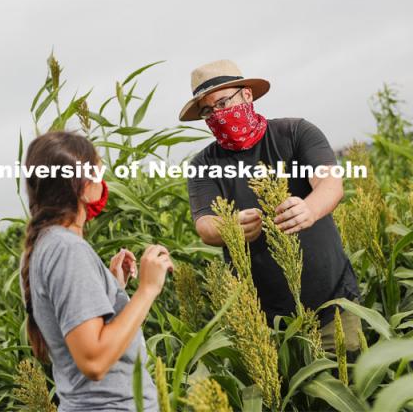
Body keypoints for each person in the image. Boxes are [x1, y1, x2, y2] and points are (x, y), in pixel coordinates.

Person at [179, 59, 362, 353]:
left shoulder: (295, 133)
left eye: (223, 103)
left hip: (333, 308)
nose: (218, 114)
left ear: (247, 95)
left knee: (350, 388)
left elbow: (330, 184)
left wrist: (309, 209)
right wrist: (229, 226)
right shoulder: (204, 164)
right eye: (208, 111)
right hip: (265, 326)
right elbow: (204, 224)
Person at [19, 130, 173, 411]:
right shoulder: (67, 250)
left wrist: (112, 288)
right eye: (97, 172)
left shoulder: (46, 244)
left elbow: (79, 324)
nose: (103, 181)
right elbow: (94, 360)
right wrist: (147, 290)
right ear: (80, 185)